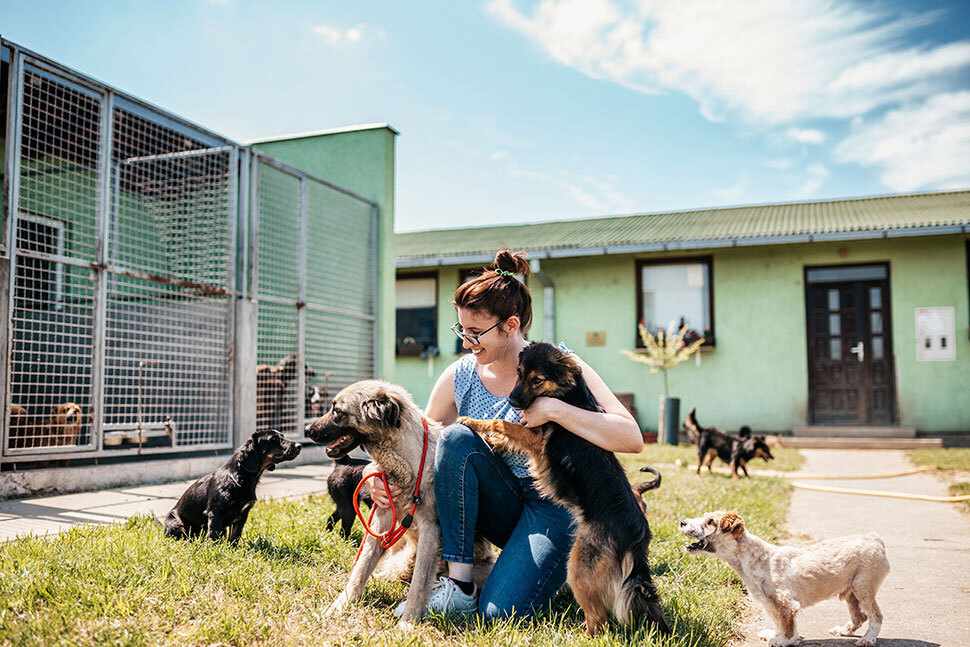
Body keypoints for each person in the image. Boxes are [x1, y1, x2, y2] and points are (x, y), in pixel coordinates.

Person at [368, 248, 643, 621]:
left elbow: (631, 437)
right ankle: (460, 584)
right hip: (496, 505)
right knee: (455, 438)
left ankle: (543, 566)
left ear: (510, 326)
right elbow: (419, 446)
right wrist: (375, 478)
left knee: (501, 613)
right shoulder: (459, 375)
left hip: (554, 508)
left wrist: (556, 409)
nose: (466, 341)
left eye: (476, 332)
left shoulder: (558, 364)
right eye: (461, 330)